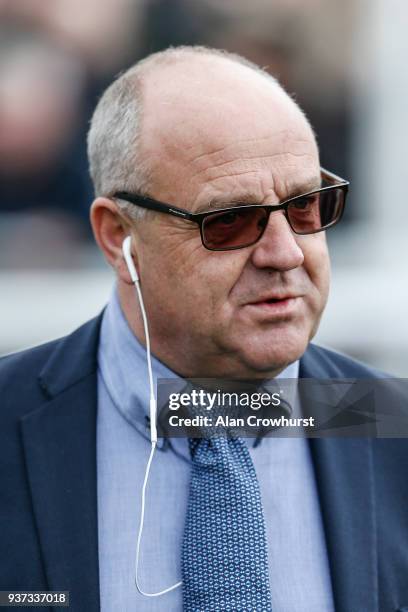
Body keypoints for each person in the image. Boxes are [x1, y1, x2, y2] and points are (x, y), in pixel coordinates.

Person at [1, 46, 407, 612]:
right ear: (119, 237)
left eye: (307, 206)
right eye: (230, 220)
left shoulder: (390, 423)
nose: (286, 253)